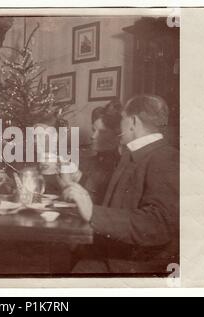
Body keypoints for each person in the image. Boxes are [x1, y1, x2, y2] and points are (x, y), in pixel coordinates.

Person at [63, 94, 179, 274]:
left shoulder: (164, 157)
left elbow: (158, 224)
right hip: (112, 255)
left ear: (132, 122)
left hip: (130, 267)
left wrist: (93, 212)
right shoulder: (137, 154)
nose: (119, 126)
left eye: (122, 120)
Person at [79, 100, 122, 204]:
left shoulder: (120, 166)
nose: (92, 136)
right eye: (94, 130)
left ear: (117, 135)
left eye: (101, 131)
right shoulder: (90, 162)